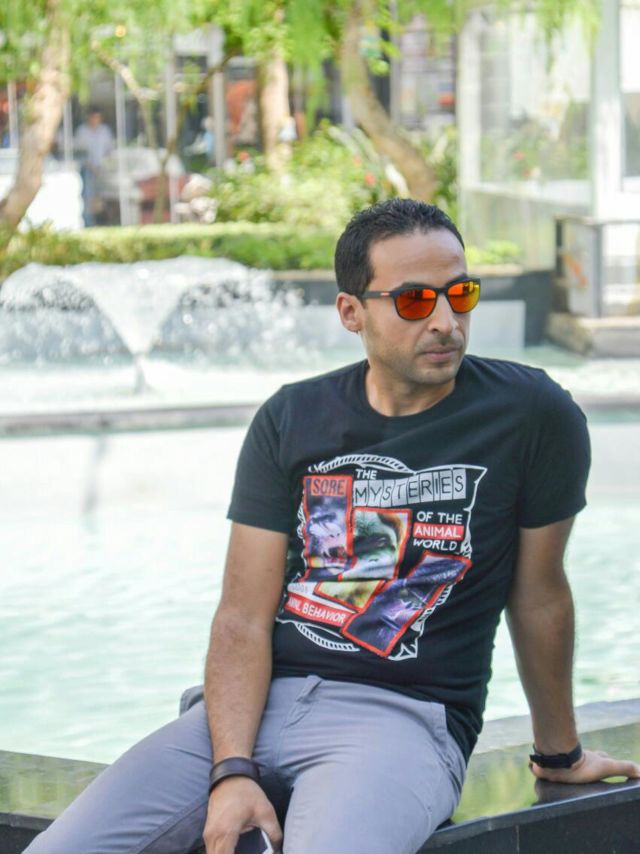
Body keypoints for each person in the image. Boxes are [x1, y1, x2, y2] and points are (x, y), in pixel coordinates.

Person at [26, 200, 640, 854]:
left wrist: (559, 753)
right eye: (413, 301)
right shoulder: (293, 417)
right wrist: (232, 768)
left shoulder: (532, 414)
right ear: (351, 312)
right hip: (252, 710)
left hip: (404, 720)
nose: (445, 321)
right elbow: (242, 616)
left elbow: (539, 594)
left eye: (460, 294)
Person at [74, 106, 114, 226]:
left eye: (98, 118)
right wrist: (92, 167)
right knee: (88, 195)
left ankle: (103, 222)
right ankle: (88, 222)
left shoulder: (105, 131)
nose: (95, 120)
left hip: (102, 169)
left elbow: (109, 150)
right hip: (87, 169)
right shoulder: (82, 131)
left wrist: (105, 166)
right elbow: (80, 153)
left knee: (102, 197)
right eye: (93, 117)